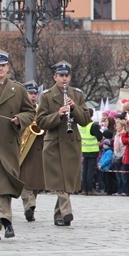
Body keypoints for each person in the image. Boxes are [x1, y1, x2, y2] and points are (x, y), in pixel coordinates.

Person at [0, 49, 35, 241]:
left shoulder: (17, 89)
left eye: (3, 65)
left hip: (11, 144)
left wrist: (19, 119)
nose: (0, 69)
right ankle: (6, 221)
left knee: (6, 185)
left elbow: (30, 112)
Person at [36, 61, 92, 227]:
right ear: (55, 77)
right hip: (53, 144)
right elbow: (40, 122)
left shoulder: (77, 95)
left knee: (67, 181)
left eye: (66, 75)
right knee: (58, 180)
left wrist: (74, 108)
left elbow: (85, 120)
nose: (64, 79)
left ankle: (59, 216)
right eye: (61, 76)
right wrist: (58, 114)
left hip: (71, 144)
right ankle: (67, 211)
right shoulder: (46, 96)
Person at [19, 80, 46, 221]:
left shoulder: (40, 108)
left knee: (35, 181)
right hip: (22, 148)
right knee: (23, 179)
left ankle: (31, 207)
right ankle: (29, 205)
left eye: (35, 93)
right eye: (30, 93)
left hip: (37, 148)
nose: (33, 96)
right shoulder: (19, 107)